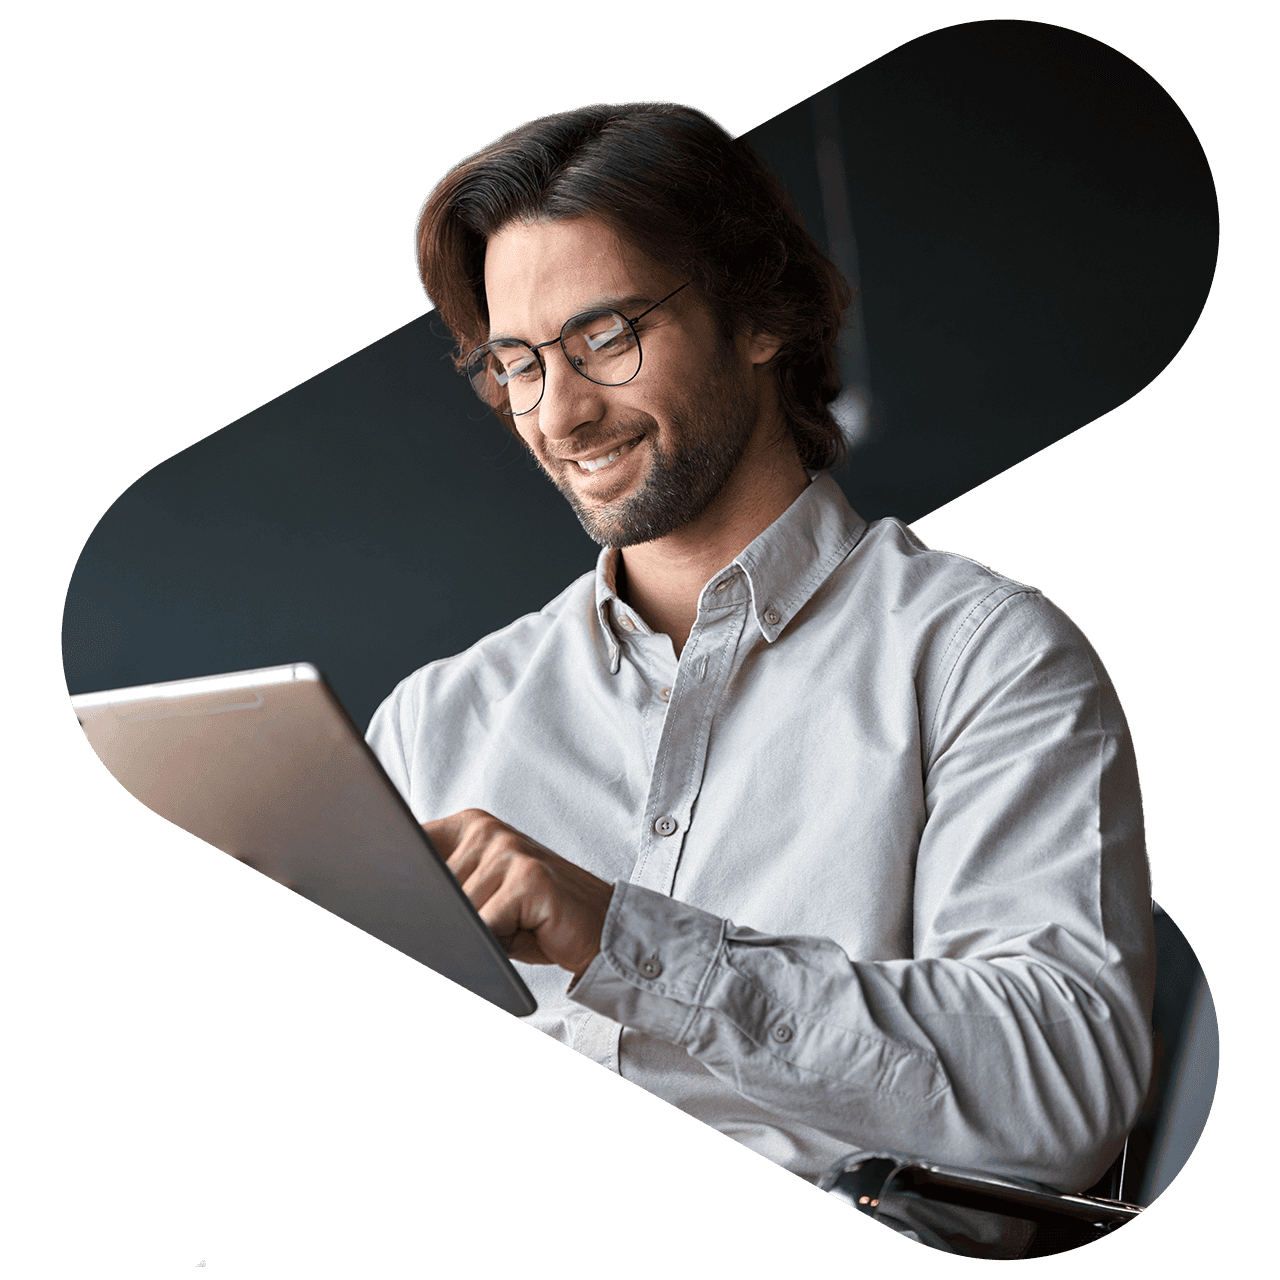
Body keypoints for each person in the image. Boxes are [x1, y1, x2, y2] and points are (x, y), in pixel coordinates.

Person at [366, 101, 1155, 1229]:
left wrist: (625, 940)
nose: (561, 412)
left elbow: (1060, 1089)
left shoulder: (985, 657)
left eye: (604, 337)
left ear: (755, 313)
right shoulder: (434, 720)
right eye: (517, 363)